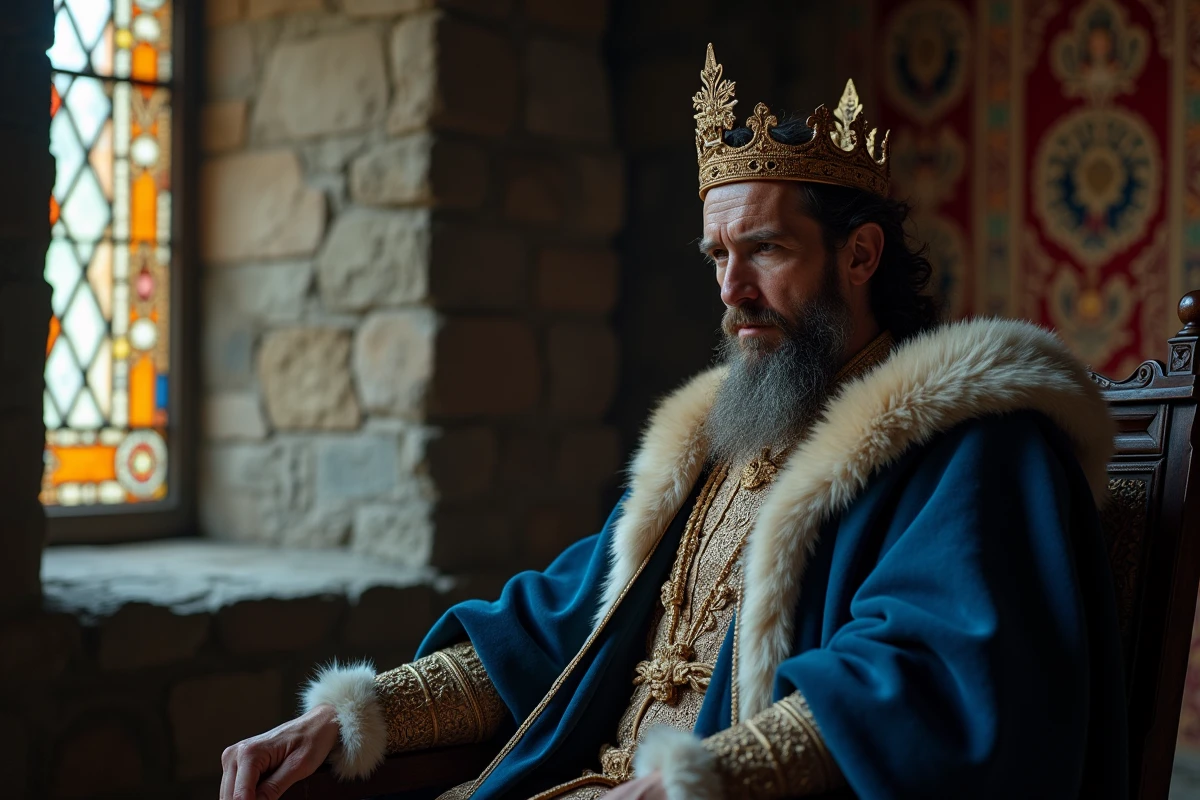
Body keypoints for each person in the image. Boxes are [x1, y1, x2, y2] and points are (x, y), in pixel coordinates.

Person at [220, 44, 1127, 800]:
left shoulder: (973, 442)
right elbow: (559, 628)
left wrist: (707, 777)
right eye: (718, 256)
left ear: (860, 254)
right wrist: (348, 716)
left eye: (766, 250)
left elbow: (928, 683)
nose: (732, 292)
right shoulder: (711, 443)